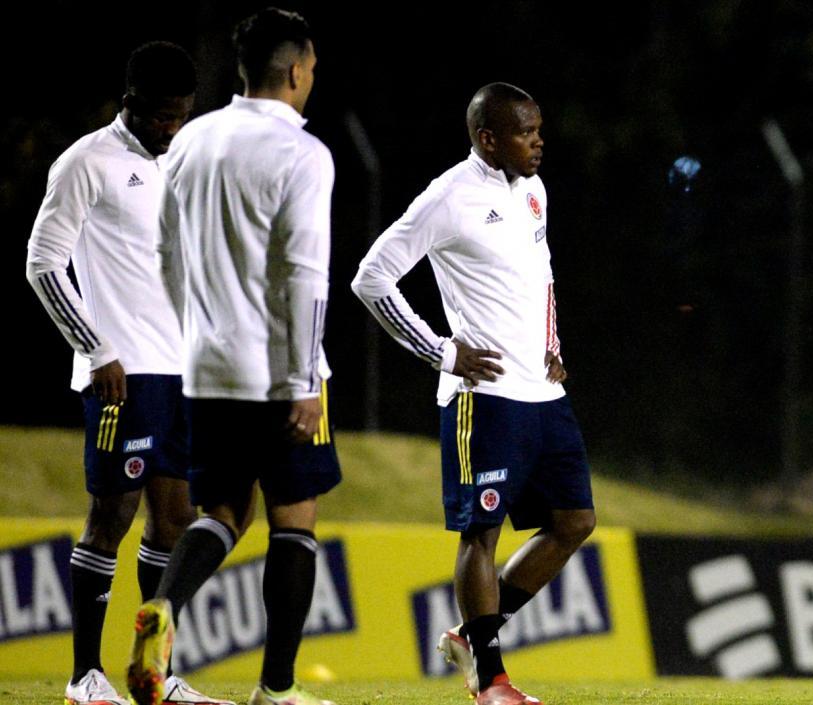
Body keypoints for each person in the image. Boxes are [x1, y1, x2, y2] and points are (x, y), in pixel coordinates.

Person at [352, 82, 595, 705]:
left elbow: (542, 275)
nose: (539, 142)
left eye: (539, 129)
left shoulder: (534, 191)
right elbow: (371, 278)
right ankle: (490, 679)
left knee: (574, 522)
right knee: (480, 535)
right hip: (481, 397)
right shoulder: (448, 198)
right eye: (525, 132)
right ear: (488, 138)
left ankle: (470, 635)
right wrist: (440, 349)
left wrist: (552, 343)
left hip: (542, 392)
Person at [124, 9, 340, 705]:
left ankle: (163, 606)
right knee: (294, 519)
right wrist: (306, 378)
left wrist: (197, 334)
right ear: (297, 68)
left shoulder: (191, 142)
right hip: (279, 370)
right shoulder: (303, 154)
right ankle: (276, 689)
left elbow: (165, 252)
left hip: (207, 366)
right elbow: (306, 272)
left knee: (220, 509)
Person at [26, 40, 233, 705]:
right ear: (131, 103)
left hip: (180, 373)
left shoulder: (186, 164)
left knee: (174, 520)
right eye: (160, 116)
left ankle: (156, 673)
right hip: (122, 372)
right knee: (111, 512)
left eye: (181, 115)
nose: (171, 129)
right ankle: (85, 674)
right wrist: (95, 347)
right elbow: (43, 264)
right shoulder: (87, 162)